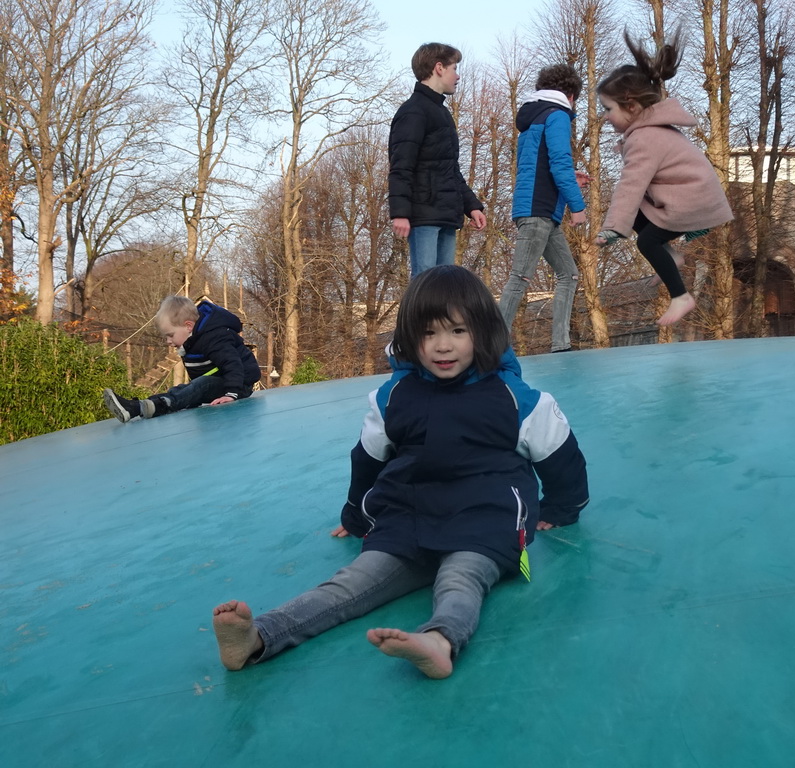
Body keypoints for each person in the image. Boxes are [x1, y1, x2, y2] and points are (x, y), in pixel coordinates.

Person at [212, 265, 589, 679]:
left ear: (484, 332)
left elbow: (560, 456)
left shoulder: (516, 398)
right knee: (350, 583)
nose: (442, 346)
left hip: (486, 519)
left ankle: (440, 640)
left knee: (461, 581)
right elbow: (368, 460)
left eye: (458, 332)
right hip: (408, 518)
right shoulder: (393, 396)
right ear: (410, 337)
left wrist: (562, 507)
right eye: (428, 333)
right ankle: (260, 636)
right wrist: (354, 515)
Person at [595, 30, 733, 326]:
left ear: (631, 107)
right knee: (636, 218)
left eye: (609, 109)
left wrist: (611, 229)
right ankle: (672, 255)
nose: (605, 117)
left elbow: (630, 186)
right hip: (690, 195)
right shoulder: (651, 130)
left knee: (646, 242)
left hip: (691, 201)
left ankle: (681, 296)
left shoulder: (644, 138)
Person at [498, 64, 589, 354]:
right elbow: (559, 164)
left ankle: (560, 345)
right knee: (520, 277)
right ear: (571, 94)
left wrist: (571, 178)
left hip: (540, 211)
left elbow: (538, 165)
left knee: (569, 274)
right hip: (538, 212)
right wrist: (577, 206)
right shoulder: (558, 115)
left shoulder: (534, 117)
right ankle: (490, 346)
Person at [389, 43, 487, 277]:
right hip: (423, 214)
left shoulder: (442, 114)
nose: (458, 75)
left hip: (447, 214)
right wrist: (400, 213)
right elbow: (401, 165)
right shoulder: (413, 112)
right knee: (424, 282)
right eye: (455, 68)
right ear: (439, 68)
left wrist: (471, 206)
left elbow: (450, 169)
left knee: (446, 285)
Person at [103, 296, 261, 423]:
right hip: (218, 383)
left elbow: (232, 364)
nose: (168, 341)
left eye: (170, 335)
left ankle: (162, 405)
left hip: (238, 386)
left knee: (200, 385)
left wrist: (231, 393)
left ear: (188, 326)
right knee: (181, 389)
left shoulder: (214, 337)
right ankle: (136, 407)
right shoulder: (191, 341)